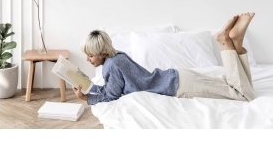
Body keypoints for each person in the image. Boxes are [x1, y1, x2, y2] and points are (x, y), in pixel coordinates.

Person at [73, 12, 255, 105]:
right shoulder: (117, 56)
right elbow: (112, 87)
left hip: (178, 86)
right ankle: (237, 43)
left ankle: (226, 42)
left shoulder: (110, 67)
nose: (88, 60)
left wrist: (86, 98)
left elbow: (111, 96)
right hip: (177, 77)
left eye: (90, 55)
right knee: (233, 83)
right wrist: (90, 86)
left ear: (102, 53)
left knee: (242, 94)